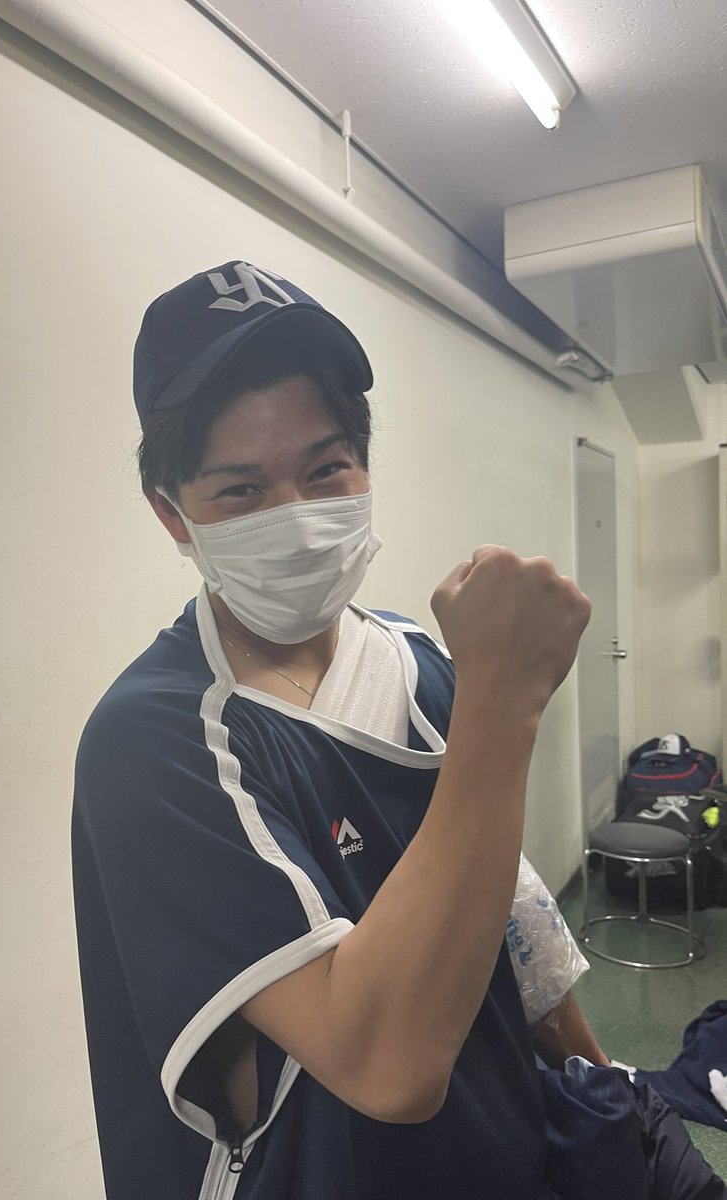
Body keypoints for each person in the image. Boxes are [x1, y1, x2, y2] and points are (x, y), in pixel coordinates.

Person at [71, 261, 722, 1199]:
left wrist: (606, 1088)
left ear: (365, 469)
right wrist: (507, 698)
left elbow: (512, 918)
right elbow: (387, 1067)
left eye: (325, 470)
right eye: (241, 491)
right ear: (172, 513)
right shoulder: (158, 740)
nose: (299, 520)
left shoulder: (419, 660)